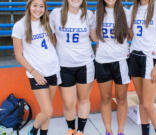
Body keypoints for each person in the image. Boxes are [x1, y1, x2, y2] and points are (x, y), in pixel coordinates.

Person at [12, 0, 60, 135]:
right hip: (37, 74)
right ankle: (33, 131)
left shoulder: (48, 22)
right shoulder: (20, 26)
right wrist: (35, 72)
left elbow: (53, 43)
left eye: (41, 6)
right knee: (48, 110)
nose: (38, 9)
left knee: (47, 111)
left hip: (53, 71)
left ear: (45, 8)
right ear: (28, 6)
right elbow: (18, 55)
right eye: (35, 5)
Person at [49, 0, 97, 135]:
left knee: (83, 99)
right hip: (64, 65)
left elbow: (94, 36)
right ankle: (71, 129)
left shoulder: (89, 14)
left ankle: (81, 130)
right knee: (69, 102)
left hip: (85, 64)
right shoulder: (56, 14)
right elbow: (51, 37)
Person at [129, 0, 156, 135]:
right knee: (141, 102)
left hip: (150, 59)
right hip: (135, 56)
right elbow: (131, 34)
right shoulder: (133, 8)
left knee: (148, 104)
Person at [95, 0, 131, 135]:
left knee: (121, 98)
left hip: (121, 61)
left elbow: (132, 34)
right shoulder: (97, 13)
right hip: (102, 61)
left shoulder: (126, 14)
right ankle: (108, 130)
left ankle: (121, 131)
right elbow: (94, 35)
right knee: (105, 98)